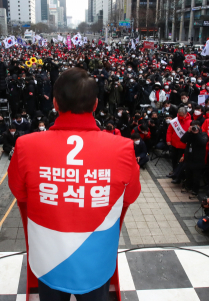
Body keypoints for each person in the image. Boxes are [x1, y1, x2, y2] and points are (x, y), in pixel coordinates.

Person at [8, 67, 141, 301]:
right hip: (96, 260)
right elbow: (130, 196)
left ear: (55, 103)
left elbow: (20, 193)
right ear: (96, 104)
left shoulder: (25, 145)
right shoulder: (123, 147)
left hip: (48, 257)